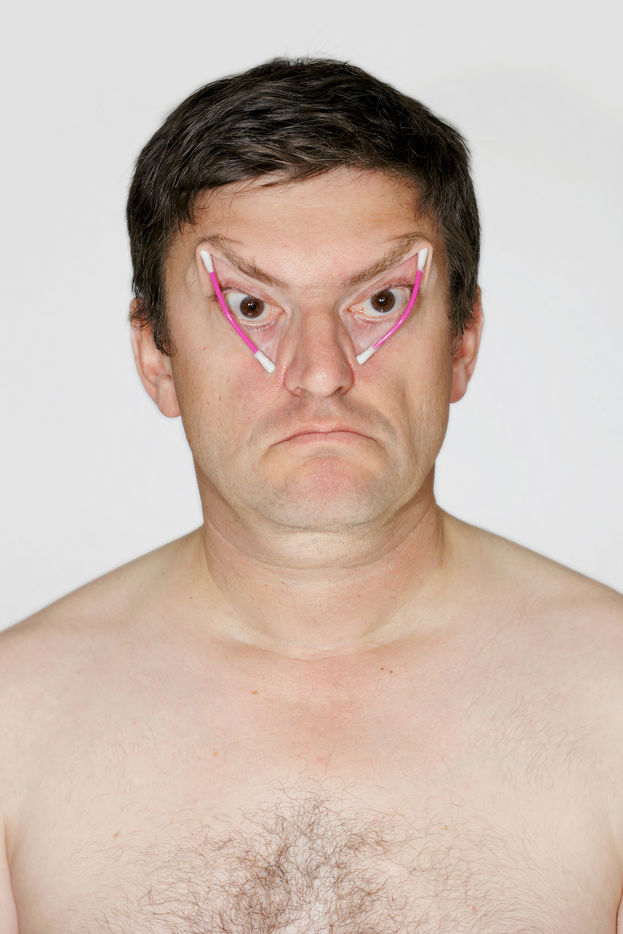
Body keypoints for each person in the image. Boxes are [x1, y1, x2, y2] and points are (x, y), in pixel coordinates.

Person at [1, 57, 622, 933]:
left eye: (380, 299)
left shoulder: (612, 701)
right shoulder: (15, 724)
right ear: (155, 356)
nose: (321, 371)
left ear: (462, 341)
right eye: (252, 308)